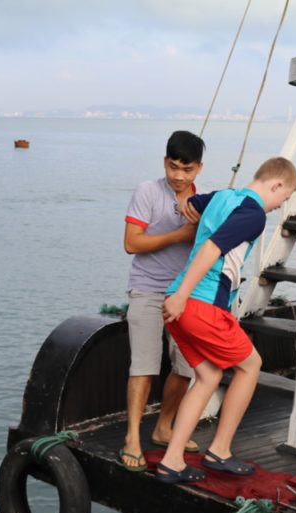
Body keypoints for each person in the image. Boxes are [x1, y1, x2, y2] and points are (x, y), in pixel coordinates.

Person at [157, 157, 296, 484]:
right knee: (250, 366)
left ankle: (172, 461)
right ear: (275, 185)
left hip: (178, 300)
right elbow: (211, 248)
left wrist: (192, 207)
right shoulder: (252, 214)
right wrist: (184, 296)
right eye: (284, 198)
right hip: (200, 303)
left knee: (207, 376)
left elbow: (192, 202)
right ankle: (219, 450)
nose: (280, 206)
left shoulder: (223, 196)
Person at [119, 131, 205, 472]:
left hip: (185, 293)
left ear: (199, 168)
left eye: (187, 169)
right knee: (143, 366)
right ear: (165, 162)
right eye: (173, 167)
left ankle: (164, 427)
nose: (179, 176)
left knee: (186, 366)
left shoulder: (203, 202)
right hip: (147, 289)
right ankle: (132, 439)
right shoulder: (147, 192)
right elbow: (131, 243)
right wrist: (180, 234)